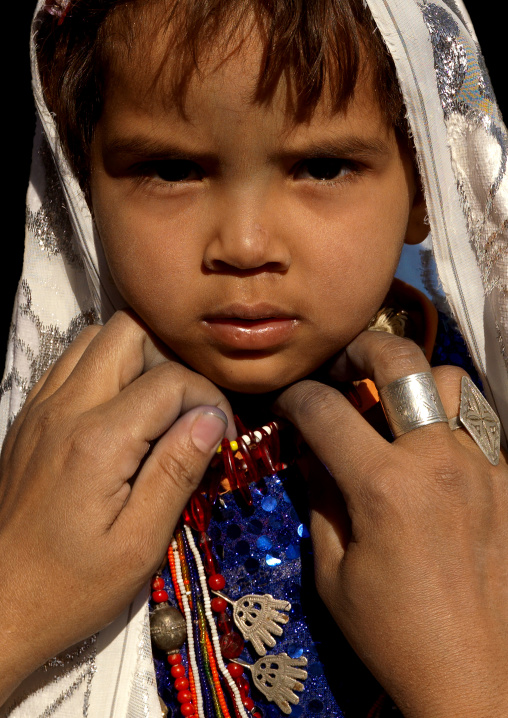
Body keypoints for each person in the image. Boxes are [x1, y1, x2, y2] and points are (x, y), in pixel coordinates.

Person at [1, 0, 507, 716]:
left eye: (323, 166)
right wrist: (18, 601)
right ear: (83, 181)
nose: (243, 245)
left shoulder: (485, 475)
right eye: (171, 169)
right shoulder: (37, 467)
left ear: (426, 179)